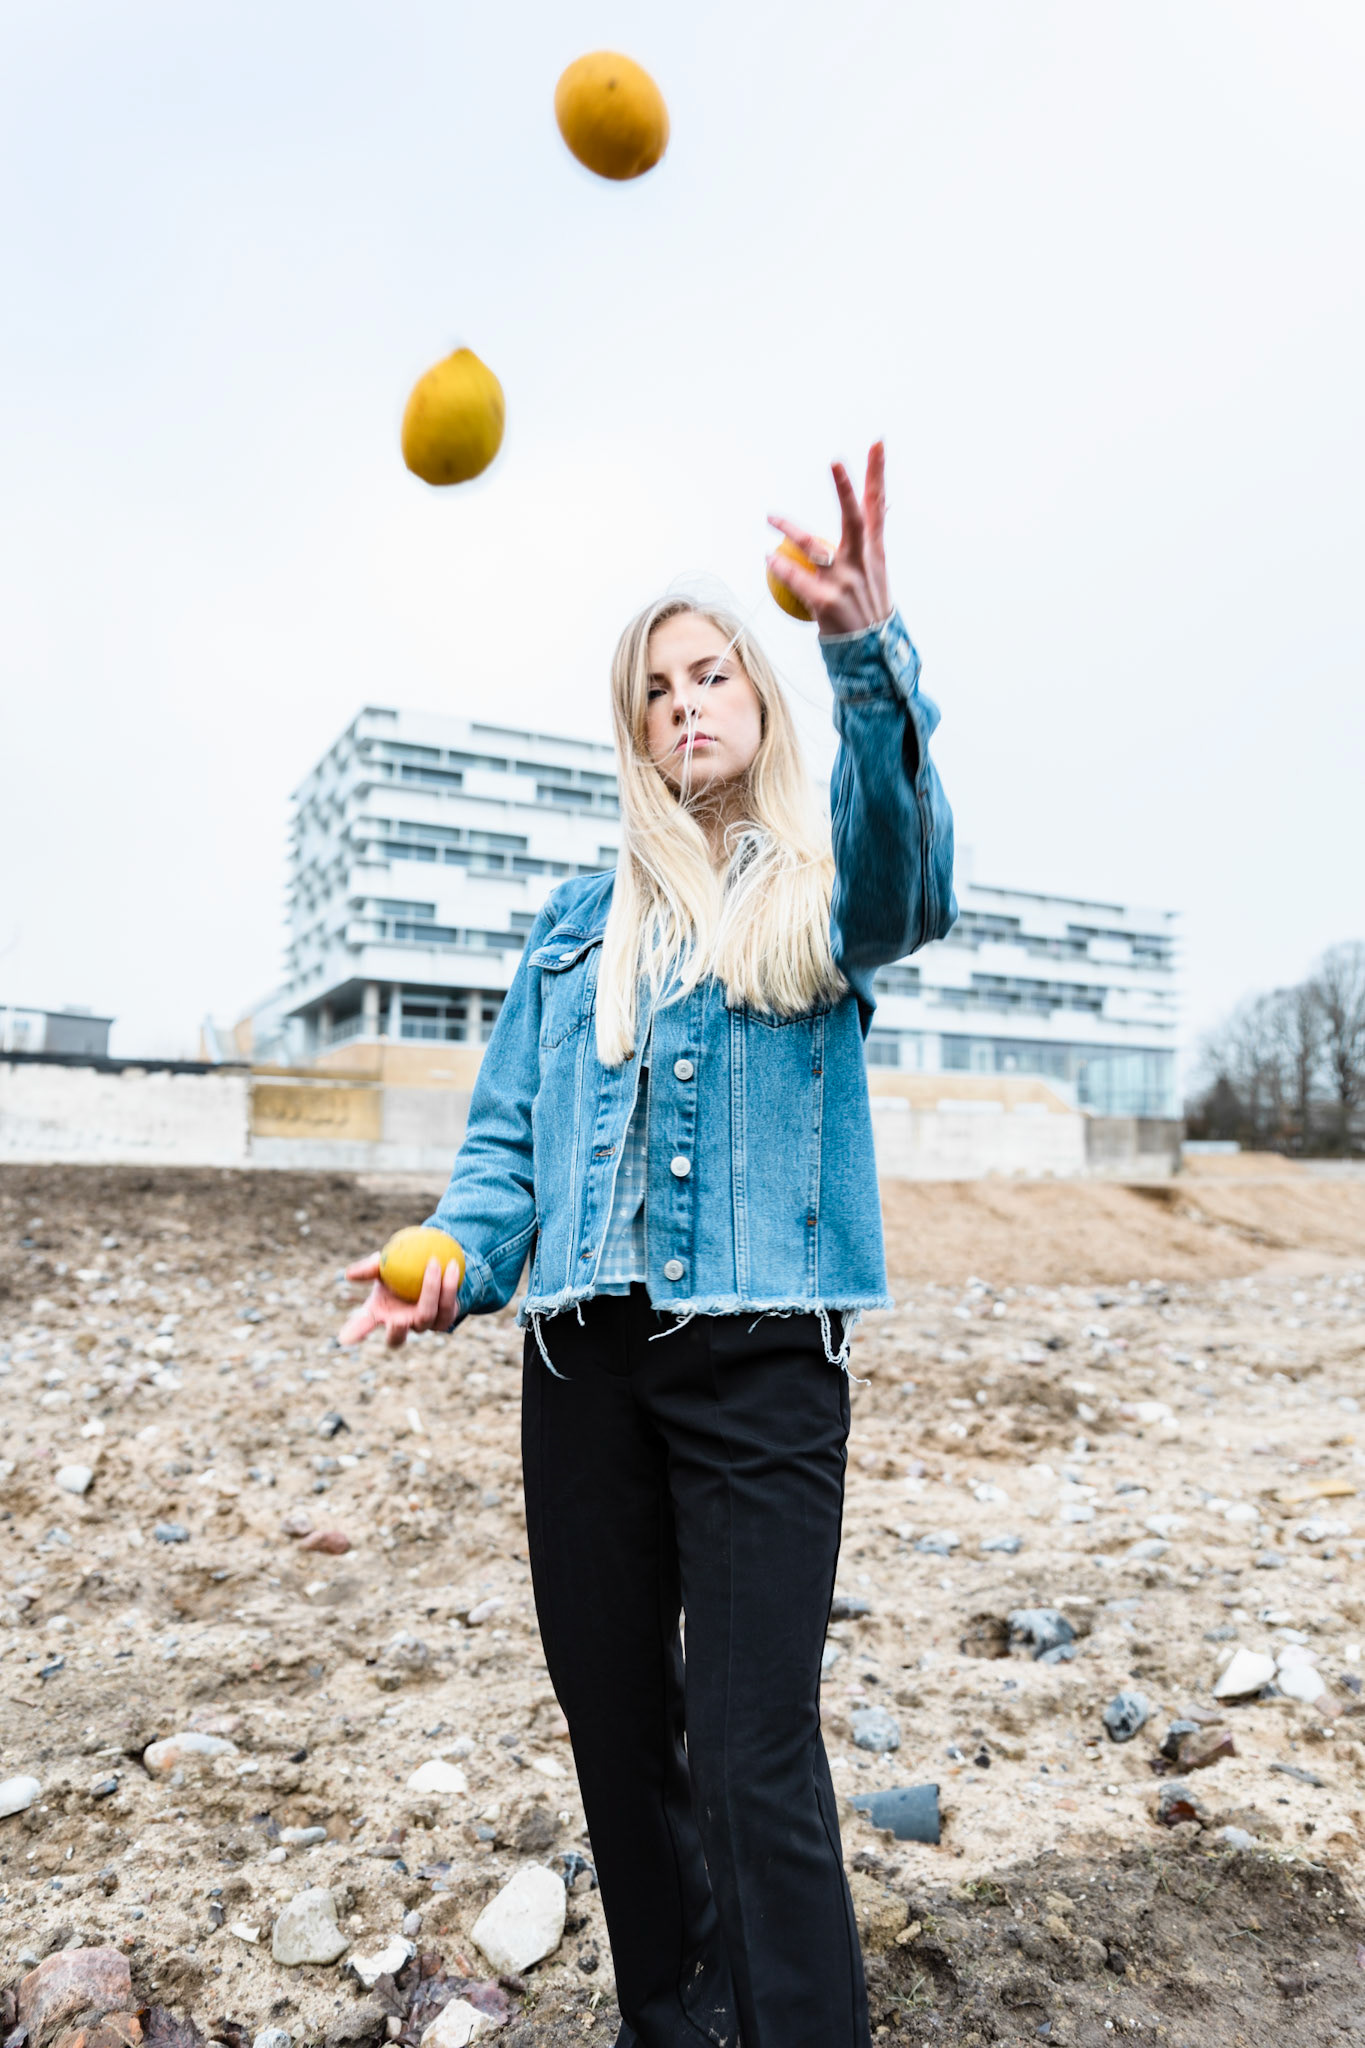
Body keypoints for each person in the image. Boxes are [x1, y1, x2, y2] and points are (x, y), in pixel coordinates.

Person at [340, 442, 956, 2048]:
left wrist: (863, 653)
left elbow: (912, 881)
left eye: (711, 674)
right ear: (633, 738)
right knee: (619, 1738)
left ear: (759, 695)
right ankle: (671, 2023)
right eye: (656, 692)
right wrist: (453, 1256)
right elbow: (504, 1154)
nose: (686, 704)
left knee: (754, 1755)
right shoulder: (571, 930)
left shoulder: (820, 894)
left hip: (760, 1364)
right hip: (581, 1369)